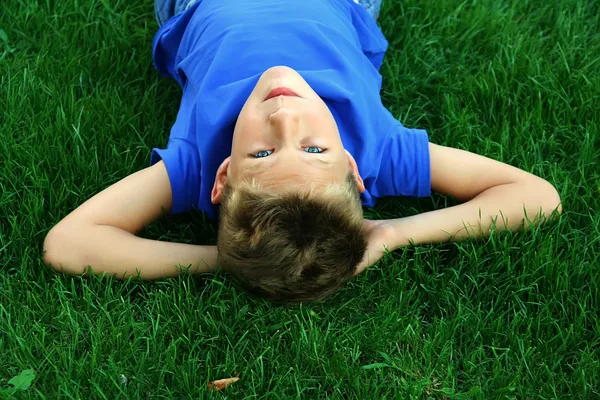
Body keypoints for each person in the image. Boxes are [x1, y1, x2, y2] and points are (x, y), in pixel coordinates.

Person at [43, 0, 562, 303]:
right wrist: (392, 234)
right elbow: (536, 196)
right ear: (353, 170)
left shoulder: (194, 168)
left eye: (261, 155)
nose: (284, 116)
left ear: (223, 179)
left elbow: (67, 243)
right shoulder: (379, 150)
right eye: (315, 147)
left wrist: (222, 260)